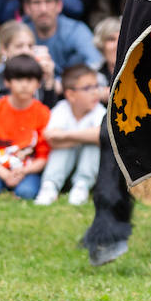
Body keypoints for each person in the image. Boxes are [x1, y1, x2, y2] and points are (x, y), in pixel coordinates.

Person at [0, 53, 49, 199]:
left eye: (30, 79)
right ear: (7, 82)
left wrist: (23, 172)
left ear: (38, 83)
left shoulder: (43, 113)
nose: (24, 84)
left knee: (27, 193)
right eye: (18, 79)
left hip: (28, 170)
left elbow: (43, 156)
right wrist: (5, 174)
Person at [32, 63, 102, 206]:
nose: (95, 92)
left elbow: (101, 135)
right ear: (70, 94)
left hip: (89, 168)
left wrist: (65, 136)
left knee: (93, 146)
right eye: (88, 88)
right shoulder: (61, 108)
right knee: (62, 149)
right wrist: (83, 137)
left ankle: (81, 186)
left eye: (96, 86)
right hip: (63, 166)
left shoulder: (99, 111)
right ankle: (50, 186)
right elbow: (52, 139)